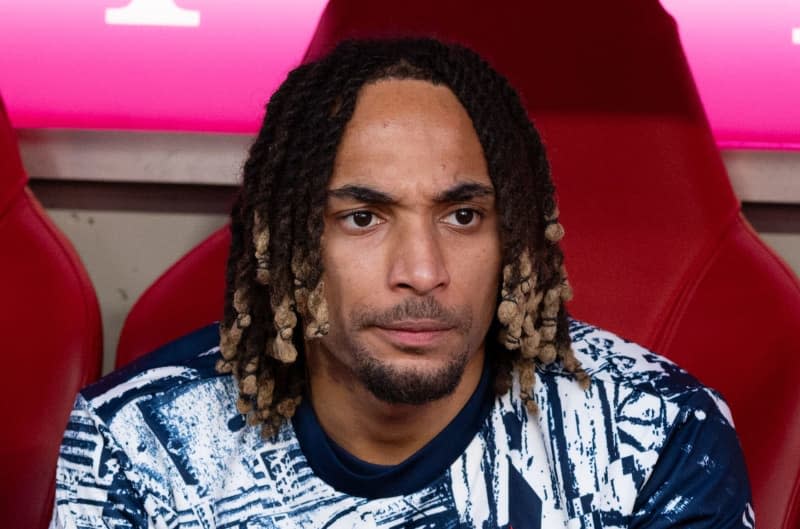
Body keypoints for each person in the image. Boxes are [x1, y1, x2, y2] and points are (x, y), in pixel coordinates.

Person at [50, 38, 754, 528]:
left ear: (515, 240)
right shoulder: (140, 441)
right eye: (363, 217)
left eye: (463, 215)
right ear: (287, 240)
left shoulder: (660, 436)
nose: (422, 270)